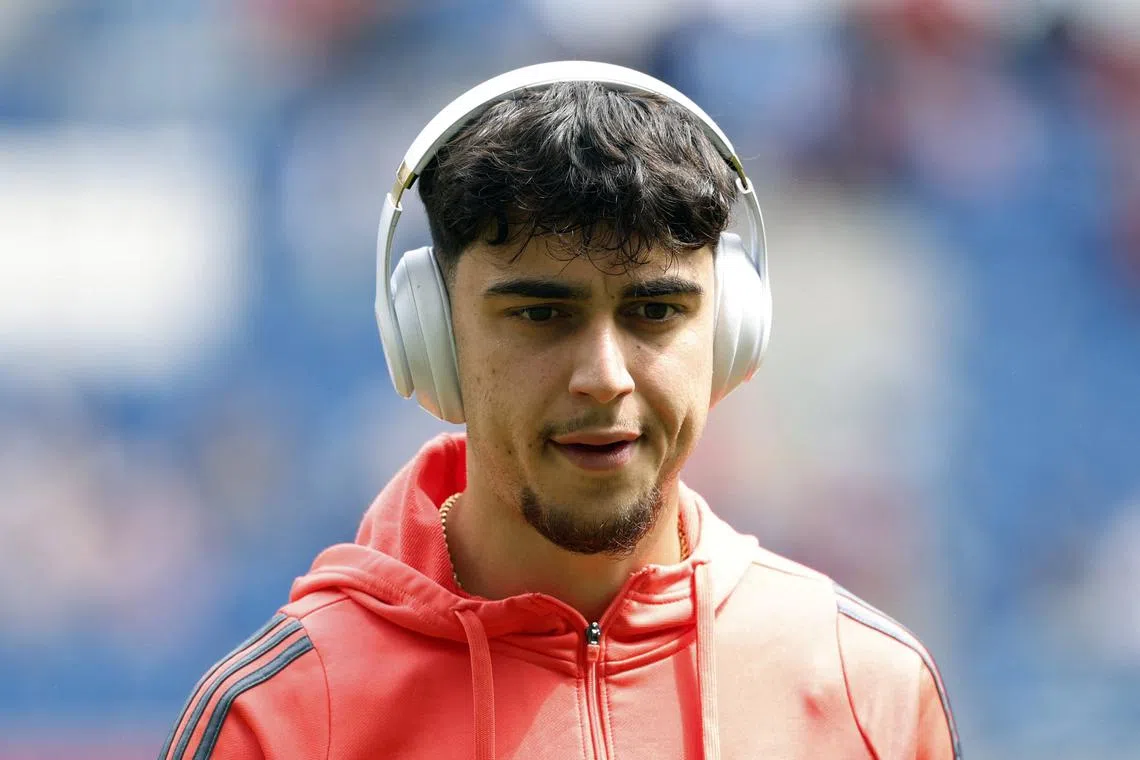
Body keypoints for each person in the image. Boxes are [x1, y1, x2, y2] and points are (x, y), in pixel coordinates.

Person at [159, 61, 960, 760]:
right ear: (430, 340)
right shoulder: (283, 719)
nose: (603, 377)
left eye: (655, 312)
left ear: (730, 334)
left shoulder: (868, 690)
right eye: (542, 314)